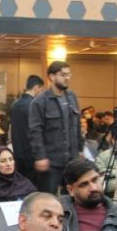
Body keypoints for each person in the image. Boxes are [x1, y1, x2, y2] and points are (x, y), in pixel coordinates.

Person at [29, 61, 82, 194]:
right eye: (63, 75)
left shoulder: (72, 97)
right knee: (48, 197)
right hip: (51, 161)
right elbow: (35, 131)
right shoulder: (40, 101)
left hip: (72, 159)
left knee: (73, 196)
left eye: (69, 74)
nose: (67, 78)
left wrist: (80, 149)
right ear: (52, 77)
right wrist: (40, 156)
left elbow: (77, 125)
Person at [59, 158, 117, 231]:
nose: (93, 188)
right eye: (84, 184)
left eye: (95, 180)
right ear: (71, 190)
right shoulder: (58, 214)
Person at [9, 75, 45, 179]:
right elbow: (36, 130)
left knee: (20, 182)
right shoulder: (34, 105)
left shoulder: (15, 104)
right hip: (31, 154)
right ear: (36, 87)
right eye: (41, 89)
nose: (41, 93)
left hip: (17, 152)